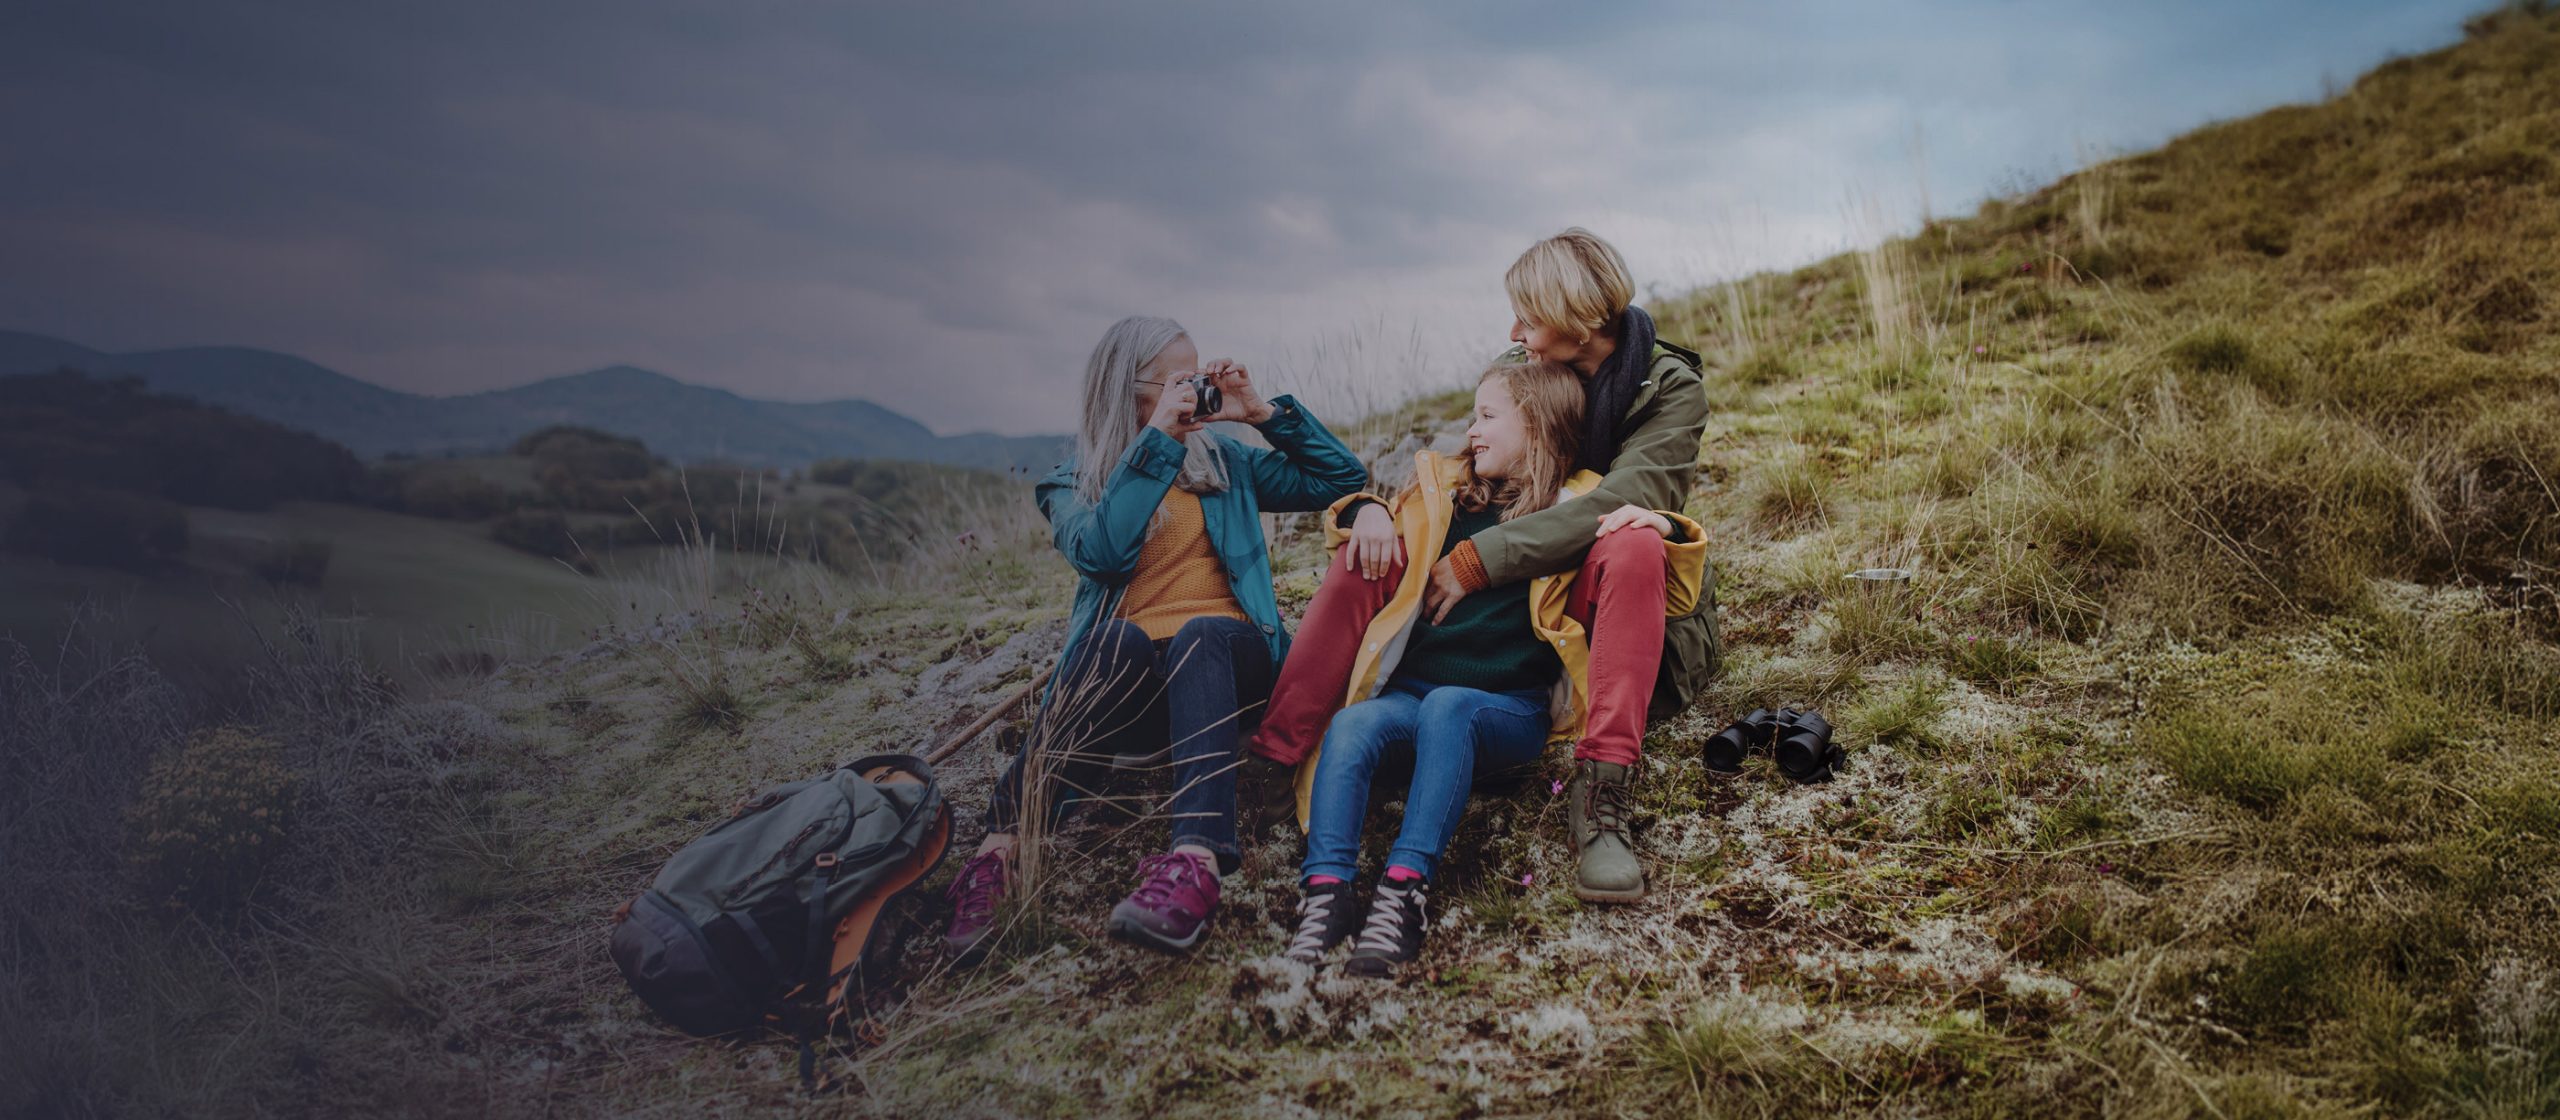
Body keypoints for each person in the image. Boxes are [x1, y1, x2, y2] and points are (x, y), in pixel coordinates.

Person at [1249, 228, 1719, 903]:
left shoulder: (1667, 386)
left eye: (1529, 316)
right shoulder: (1523, 361)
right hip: (1512, 580)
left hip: (1591, 586)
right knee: (1369, 555)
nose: (1515, 329)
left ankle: (1602, 798)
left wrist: (1480, 559)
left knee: (1634, 538)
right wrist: (1371, 510)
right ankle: (1277, 756)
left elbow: (1629, 498)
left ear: (1578, 321)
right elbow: (1455, 468)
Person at [945, 315, 1366, 959]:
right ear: (1128, 390)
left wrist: (1260, 413)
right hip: (1137, 688)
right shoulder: (1071, 482)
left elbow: (1339, 479)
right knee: (1112, 642)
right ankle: (998, 858)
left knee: (1203, 632)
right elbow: (1105, 555)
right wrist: (1157, 442)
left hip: (1231, 664)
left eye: (1198, 377)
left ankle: (1194, 864)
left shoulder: (1224, 461)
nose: (1195, 390)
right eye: (1179, 380)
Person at [1273, 361, 1710, 972]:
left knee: (1451, 707)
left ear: (1538, 426)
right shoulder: (1444, 500)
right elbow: (1368, 532)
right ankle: (1327, 894)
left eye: (1488, 416)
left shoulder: (1573, 509)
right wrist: (1366, 506)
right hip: (1412, 697)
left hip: (1507, 708)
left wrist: (1663, 522)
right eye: (1472, 415)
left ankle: (1405, 889)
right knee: (1353, 726)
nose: (1471, 431)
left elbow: (1664, 576)